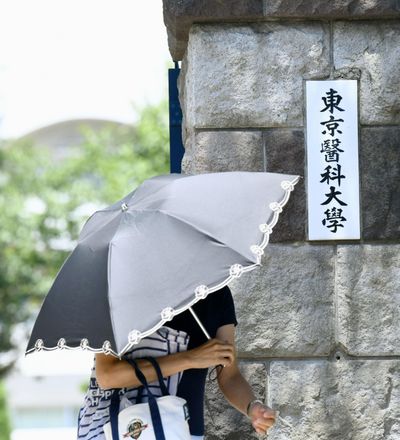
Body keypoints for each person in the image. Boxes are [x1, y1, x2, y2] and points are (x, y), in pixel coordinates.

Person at [96, 285, 277, 439]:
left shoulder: (216, 293)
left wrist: (252, 406)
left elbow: (229, 375)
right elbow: (107, 375)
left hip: (186, 431)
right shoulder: (124, 291)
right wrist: (191, 358)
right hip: (124, 429)